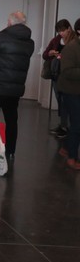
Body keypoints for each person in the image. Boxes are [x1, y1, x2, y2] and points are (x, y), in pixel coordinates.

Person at [0, 11, 35, 160]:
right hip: (15, 89)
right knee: (12, 120)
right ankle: (10, 151)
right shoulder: (29, 42)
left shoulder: (0, 38)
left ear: (9, 23)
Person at [56, 21, 80, 169]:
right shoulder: (71, 48)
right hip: (71, 91)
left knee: (77, 124)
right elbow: (67, 72)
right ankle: (72, 157)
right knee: (77, 124)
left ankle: (66, 147)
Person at [43, 19, 72, 139]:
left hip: (68, 76)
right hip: (56, 75)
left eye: (63, 31)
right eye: (59, 31)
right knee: (60, 101)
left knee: (68, 102)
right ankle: (63, 125)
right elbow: (45, 54)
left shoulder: (74, 41)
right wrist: (50, 53)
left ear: (69, 29)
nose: (61, 33)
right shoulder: (55, 40)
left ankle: (69, 127)